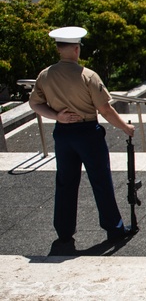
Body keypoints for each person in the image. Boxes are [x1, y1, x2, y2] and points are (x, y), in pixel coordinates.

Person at [29, 26, 136, 243]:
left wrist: (56, 116)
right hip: (87, 132)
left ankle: (64, 231)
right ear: (77, 49)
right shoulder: (88, 76)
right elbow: (105, 110)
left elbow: (35, 104)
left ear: (59, 49)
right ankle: (114, 228)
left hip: (63, 133)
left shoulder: (45, 75)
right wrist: (125, 127)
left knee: (65, 182)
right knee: (100, 181)